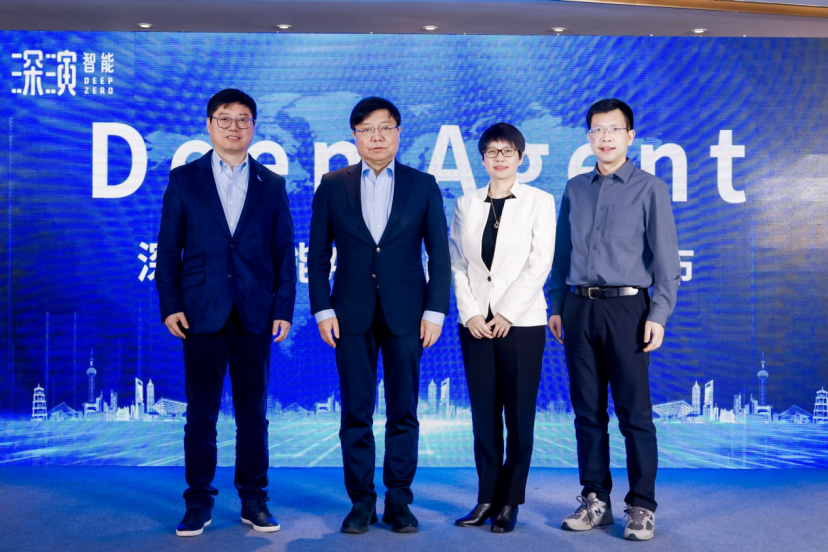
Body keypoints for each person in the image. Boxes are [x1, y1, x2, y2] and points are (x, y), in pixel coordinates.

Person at [155, 88, 296, 537]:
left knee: (253, 415)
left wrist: (283, 308)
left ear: (253, 126)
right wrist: (171, 305)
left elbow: (284, 252)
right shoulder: (184, 179)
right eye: (224, 118)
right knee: (201, 416)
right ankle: (198, 501)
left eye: (242, 119)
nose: (234, 127)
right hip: (200, 313)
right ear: (209, 125)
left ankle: (254, 499)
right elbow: (168, 249)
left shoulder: (271, 183)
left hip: (256, 313)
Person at [307, 96, 451, 534]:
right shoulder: (333, 184)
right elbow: (318, 255)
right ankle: (362, 501)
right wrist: (322, 309)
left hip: (408, 313)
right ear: (354, 136)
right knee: (356, 411)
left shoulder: (422, 184)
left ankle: (399, 500)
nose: (376, 137)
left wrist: (435, 311)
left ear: (398, 133)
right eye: (367, 129)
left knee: (404, 411)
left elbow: (439, 254)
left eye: (385, 127)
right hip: (349, 312)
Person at [548, 99, 680, 541]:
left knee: (634, 413)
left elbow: (667, 260)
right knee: (587, 412)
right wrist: (556, 304)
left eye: (614, 129)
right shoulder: (575, 188)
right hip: (578, 308)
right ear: (588, 137)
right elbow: (561, 253)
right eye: (597, 130)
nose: (605, 137)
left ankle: (641, 505)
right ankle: (595, 500)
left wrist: (658, 313)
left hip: (628, 310)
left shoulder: (650, 188)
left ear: (630, 136)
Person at [449, 123, 555, 533]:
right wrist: (472, 313)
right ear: (482, 159)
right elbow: (457, 263)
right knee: (484, 416)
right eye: (492, 151)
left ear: (521, 158)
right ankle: (486, 497)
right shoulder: (466, 204)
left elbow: (540, 263)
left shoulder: (539, 201)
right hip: (476, 325)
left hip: (521, 323)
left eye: (507, 151)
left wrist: (506, 313)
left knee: (519, 416)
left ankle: (510, 501)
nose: (499, 158)